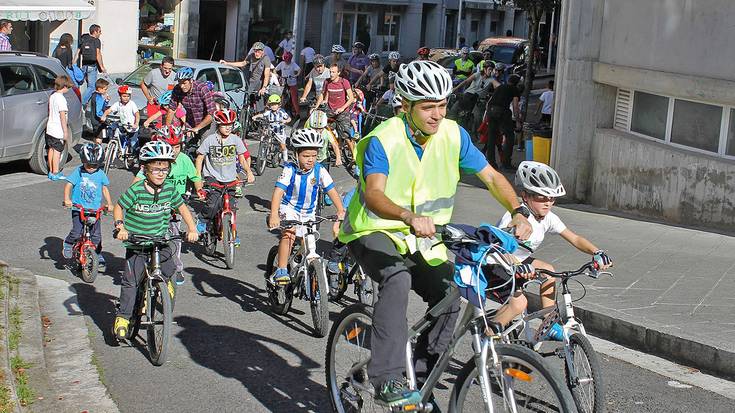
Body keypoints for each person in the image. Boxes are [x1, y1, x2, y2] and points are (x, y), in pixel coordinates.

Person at [337, 60, 532, 408]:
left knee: (451, 294)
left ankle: (419, 385)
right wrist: (407, 216)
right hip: (375, 229)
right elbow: (374, 194)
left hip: (424, 237)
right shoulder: (385, 139)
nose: (437, 114)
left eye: (442, 105)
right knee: (396, 280)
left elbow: (491, 177)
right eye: (428, 106)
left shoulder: (454, 135)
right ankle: (387, 379)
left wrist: (518, 210)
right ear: (405, 105)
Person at [489, 161, 613, 330]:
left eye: (552, 198)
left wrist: (597, 252)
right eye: (541, 197)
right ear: (525, 196)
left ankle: (548, 323)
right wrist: (517, 265)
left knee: (549, 272)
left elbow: (575, 238)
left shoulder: (548, 218)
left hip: (520, 263)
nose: (547, 202)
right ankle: (485, 337)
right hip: (496, 263)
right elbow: (498, 249)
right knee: (518, 305)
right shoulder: (515, 218)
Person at [112, 141, 199, 340]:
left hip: (160, 240)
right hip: (137, 243)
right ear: (145, 169)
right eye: (155, 169)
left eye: (165, 169)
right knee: (131, 282)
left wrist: (192, 228)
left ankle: (163, 284)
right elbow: (118, 207)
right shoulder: (136, 190)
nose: (160, 173)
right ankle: (123, 318)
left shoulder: (169, 189)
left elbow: (183, 209)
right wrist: (120, 226)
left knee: (171, 267)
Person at [267, 129, 345, 284]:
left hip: (309, 212)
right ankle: (281, 269)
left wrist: (340, 210)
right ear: (296, 154)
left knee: (308, 243)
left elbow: (331, 190)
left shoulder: (319, 170)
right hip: (289, 208)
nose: (311, 160)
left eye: (314, 156)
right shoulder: (289, 169)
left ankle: (303, 270)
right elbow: (278, 192)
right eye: (306, 156)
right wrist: (274, 213)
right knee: (289, 233)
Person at [132, 126, 204, 285]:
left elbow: (194, 176)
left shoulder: (184, 159)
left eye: (177, 146)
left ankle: (177, 268)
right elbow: (136, 182)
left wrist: (199, 189)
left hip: (176, 206)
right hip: (154, 208)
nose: (174, 150)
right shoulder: (156, 162)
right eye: (171, 147)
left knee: (175, 238)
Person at [194, 109, 255, 239]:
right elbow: (200, 158)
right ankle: (202, 220)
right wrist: (198, 175)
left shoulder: (236, 139)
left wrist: (249, 172)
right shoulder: (210, 140)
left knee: (231, 208)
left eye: (230, 125)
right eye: (224, 125)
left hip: (230, 178)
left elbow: (242, 158)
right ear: (218, 125)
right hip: (213, 177)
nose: (228, 128)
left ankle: (232, 232)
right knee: (213, 203)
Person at [62, 143, 113, 266]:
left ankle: (97, 253)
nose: (91, 168)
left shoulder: (100, 174)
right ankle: (68, 244)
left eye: (94, 166)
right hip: (78, 208)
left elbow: (105, 188)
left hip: (94, 209)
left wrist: (109, 203)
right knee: (77, 231)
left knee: (96, 235)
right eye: (88, 165)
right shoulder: (78, 171)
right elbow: (69, 184)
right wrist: (67, 199)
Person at [165, 67, 215, 147]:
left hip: (206, 123)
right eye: (180, 83)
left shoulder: (202, 89)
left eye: (184, 83)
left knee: (205, 147)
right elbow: (171, 109)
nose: (181, 86)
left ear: (191, 81)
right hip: (190, 123)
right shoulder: (177, 89)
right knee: (184, 145)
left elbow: (211, 114)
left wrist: (197, 128)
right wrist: (167, 128)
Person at [314, 64, 355, 153]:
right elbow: (322, 94)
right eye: (330, 72)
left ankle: (354, 157)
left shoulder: (344, 82)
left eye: (333, 72)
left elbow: (351, 98)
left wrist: (342, 108)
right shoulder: (327, 82)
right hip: (330, 111)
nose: (331, 74)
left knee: (346, 136)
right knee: (321, 128)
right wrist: (316, 107)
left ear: (338, 73)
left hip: (342, 112)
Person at [451, 60, 497, 139]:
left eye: (492, 69)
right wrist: (455, 88)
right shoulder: (477, 74)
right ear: (485, 69)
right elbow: (466, 81)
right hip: (467, 96)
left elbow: (498, 86)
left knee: (477, 117)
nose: (491, 71)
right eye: (489, 69)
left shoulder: (491, 79)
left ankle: (476, 135)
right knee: (453, 111)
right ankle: (452, 131)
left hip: (478, 100)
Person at [484, 74, 522, 171]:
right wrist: (517, 121)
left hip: (491, 110)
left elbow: (489, 101)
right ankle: (506, 164)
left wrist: (485, 116)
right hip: (502, 112)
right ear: (517, 83)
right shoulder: (514, 89)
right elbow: (515, 106)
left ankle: (491, 163)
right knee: (510, 137)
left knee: (491, 137)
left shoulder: (500, 87)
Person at [220, 42, 271, 111]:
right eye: (255, 51)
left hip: (260, 83)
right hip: (250, 82)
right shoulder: (251, 56)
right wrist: (227, 63)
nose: (256, 53)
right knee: (246, 100)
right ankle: (246, 115)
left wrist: (264, 87)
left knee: (259, 103)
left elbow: (266, 75)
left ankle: (259, 116)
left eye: (258, 51)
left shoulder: (266, 59)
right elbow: (242, 63)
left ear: (262, 51)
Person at [46, 75, 73, 181]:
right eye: (68, 87)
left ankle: (51, 171)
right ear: (65, 86)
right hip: (58, 130)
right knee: (58, 151)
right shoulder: (61, 99)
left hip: (50, 128)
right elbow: (63, 116)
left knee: (51, 149)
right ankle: (56, 172)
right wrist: (65, 131)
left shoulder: (53, 96)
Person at [252, 95, 291, 164]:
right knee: (264, 135)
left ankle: (285, 159)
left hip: (279, 130)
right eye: (272, 104)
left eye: (275, 104)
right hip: (270, 129)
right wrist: (256, 116)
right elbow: (262, 115)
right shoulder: (269, 112)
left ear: (279, 105)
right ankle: (263, 149)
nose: (273, 106)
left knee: (282, 145)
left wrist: (285, 121)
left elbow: (289, 118)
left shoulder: (281, 112)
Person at [101, 85, 140, 152]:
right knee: (113, 130)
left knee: (133, 143)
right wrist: (104, 115)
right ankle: (114, 148)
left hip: (132, 127)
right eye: (124, 96)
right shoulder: (118, 104)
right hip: (123, 125)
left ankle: (135, 156)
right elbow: (109, 110)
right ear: (120, 96)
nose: (126, 98)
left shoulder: (132, 104)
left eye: (128, 96)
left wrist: (136, 123)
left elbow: (137, 114)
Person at [78, 24, 107, 104]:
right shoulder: (96, 41)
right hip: (92, 66)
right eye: (99, 32)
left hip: (84, 65)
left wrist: (74, 63)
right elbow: (98, 54)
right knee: (92, 87)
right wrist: (102, 66)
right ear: (95, 32)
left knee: (80, 83)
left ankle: (85, 102)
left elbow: (78, 52)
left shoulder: (84, 39)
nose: (100, 34)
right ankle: (81, 102)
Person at [274, 52, 301, 117]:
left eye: (288, 61)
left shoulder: (293, 64)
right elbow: (275, 69)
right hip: (284, 81)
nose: (286, 62)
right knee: (281, 96)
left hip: (292, 82)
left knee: (294, 98)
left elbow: (299, 69)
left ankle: (297, 112)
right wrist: (277, 75)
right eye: (285, 60)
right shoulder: (282, 63)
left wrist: (296, 75)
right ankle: (279, 110)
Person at [88, 78, 110, 143]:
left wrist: (106, 101)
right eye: (105, 89)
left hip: (93, 119)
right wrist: (104, 117)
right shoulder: (99, 97)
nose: (106, 91)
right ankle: (98, 150)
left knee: (96, 135)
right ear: (99, 89)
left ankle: (94, 149)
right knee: (99, 137)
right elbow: (99, 111)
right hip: (99, 121)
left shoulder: (94, 95)